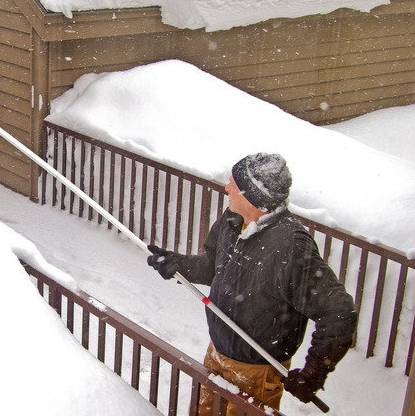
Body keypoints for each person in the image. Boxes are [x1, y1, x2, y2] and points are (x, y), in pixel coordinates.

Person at [147, 152, 357, 415]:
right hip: (217, 352)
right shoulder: (233, 220)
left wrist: (313, 374)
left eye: (233, 183)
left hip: (256, 373)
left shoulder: (290, 248)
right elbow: (215, 266)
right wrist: (179, 265)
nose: (227, 188)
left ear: (253, 196)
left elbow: (339, 313)